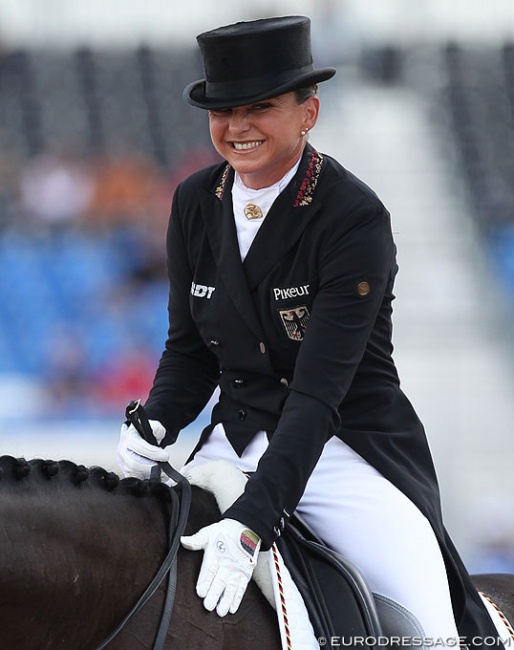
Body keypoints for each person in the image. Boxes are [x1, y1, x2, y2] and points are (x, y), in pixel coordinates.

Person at [117, 16, 499, 646]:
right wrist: (156, 421)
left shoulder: (353, 216)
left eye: (260, 108)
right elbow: (190, 350)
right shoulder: (193, 202)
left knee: (431, 628)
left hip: (344, 451)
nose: (237, 128)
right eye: (223, 111)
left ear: (308, 112)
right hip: (231, 444)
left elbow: (318, 394)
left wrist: (251, 525)